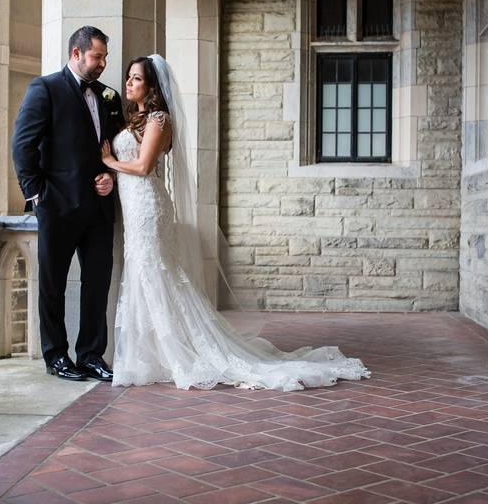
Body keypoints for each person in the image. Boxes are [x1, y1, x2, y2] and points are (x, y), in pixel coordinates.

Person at [101, 55, 369, 390]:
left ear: (153, 87)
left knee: (155, 272)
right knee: (143, 274)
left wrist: (110, 161)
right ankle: (148, 356)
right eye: (128, 77)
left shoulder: (159, 119)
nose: (128, 82)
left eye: (136, 78)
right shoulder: (135, 119)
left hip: (147, 208)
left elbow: (142, 167)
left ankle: (179, 352)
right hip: (134, 204)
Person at [12, 26, 123, 381]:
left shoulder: (109, 97)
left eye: (105, 56)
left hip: (100, 210)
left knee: (97, 284)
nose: (103, 63)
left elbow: (116, 149)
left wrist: (112, 177)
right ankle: (56, 356)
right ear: (76, 54)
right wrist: (36, 194)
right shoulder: (44, 89)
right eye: (97, 56)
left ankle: (91, 354)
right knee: (53, 284)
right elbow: (22, 145)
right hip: (57, 208)